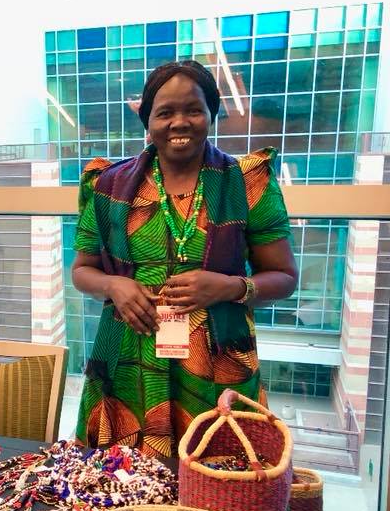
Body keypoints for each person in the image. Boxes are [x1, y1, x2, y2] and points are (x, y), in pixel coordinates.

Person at [71, 60, 298, 458]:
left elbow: (284, 277)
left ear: (211, 113)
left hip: (218, 363)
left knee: (217, 474)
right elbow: (81, 270)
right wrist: (113, 284)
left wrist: (229, 287)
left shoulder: (247, 183)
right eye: (165, 113)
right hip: (127, 359)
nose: (180, 122)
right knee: (120, 479)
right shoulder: (108, 184)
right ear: (147, 120)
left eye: (193, 109)